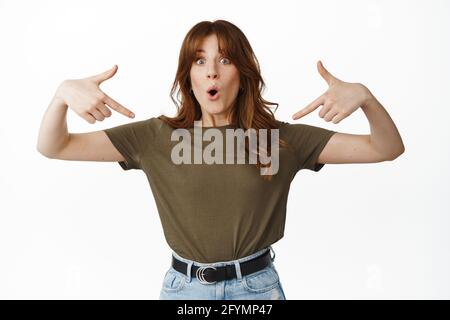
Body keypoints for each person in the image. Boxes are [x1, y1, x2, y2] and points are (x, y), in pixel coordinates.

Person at [36, 20, 405, 300]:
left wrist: (367, 100)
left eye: (224, 59)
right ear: (189, 76)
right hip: (185, 292)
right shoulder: (154, 137)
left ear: (242, 74)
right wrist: (60, 97)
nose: (212, 70)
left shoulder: (279, 140)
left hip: (256, 292)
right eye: (200, 61)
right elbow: (55, 146)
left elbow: (385, 148)